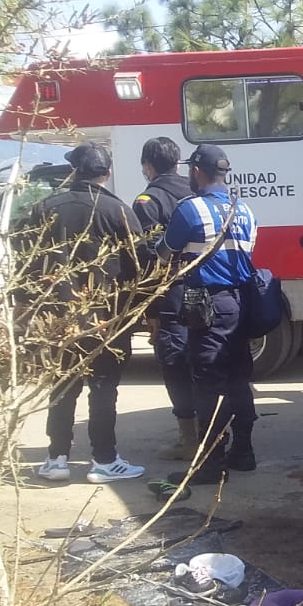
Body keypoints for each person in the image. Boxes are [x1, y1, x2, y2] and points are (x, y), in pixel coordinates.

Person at [32, 144, 146, 483]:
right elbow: (140, 267)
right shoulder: (118, 211)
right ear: (106, 173)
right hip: (105, 319)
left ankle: (56, 458)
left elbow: (26, 267)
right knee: (103, 389)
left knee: (62, 385)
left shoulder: (43, 209)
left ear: (73, 172)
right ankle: (104, 460)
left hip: (57, 319)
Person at [159, 143, 258, 485]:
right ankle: (244, 452)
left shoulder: (190, 209)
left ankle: (211, 465)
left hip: (208, 306)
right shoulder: (244, 209)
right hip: (242, 303)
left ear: (196, 172)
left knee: (208, 385)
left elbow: (165, 252)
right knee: (238, 378)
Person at [132, 136, 197, 461]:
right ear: (177, 162)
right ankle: (215, 433)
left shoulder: (148, 201)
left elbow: (150, 259)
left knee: (175, 365)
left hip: (171, 295)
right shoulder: (196, 191)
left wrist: (151, 309)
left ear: (148, 166)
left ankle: (190, 441)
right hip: (206, 291)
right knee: (206, 362)